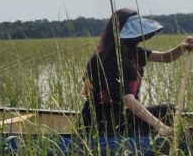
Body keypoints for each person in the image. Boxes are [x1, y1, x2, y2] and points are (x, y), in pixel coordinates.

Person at [81, 8, 193, 136]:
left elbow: (166, 57)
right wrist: (159, 126)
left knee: (169, 110)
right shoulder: (107, 59)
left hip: (121, 115)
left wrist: (183, 47)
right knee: (158, 121)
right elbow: (128, 100)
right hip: (103, 121)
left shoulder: (131, 52)